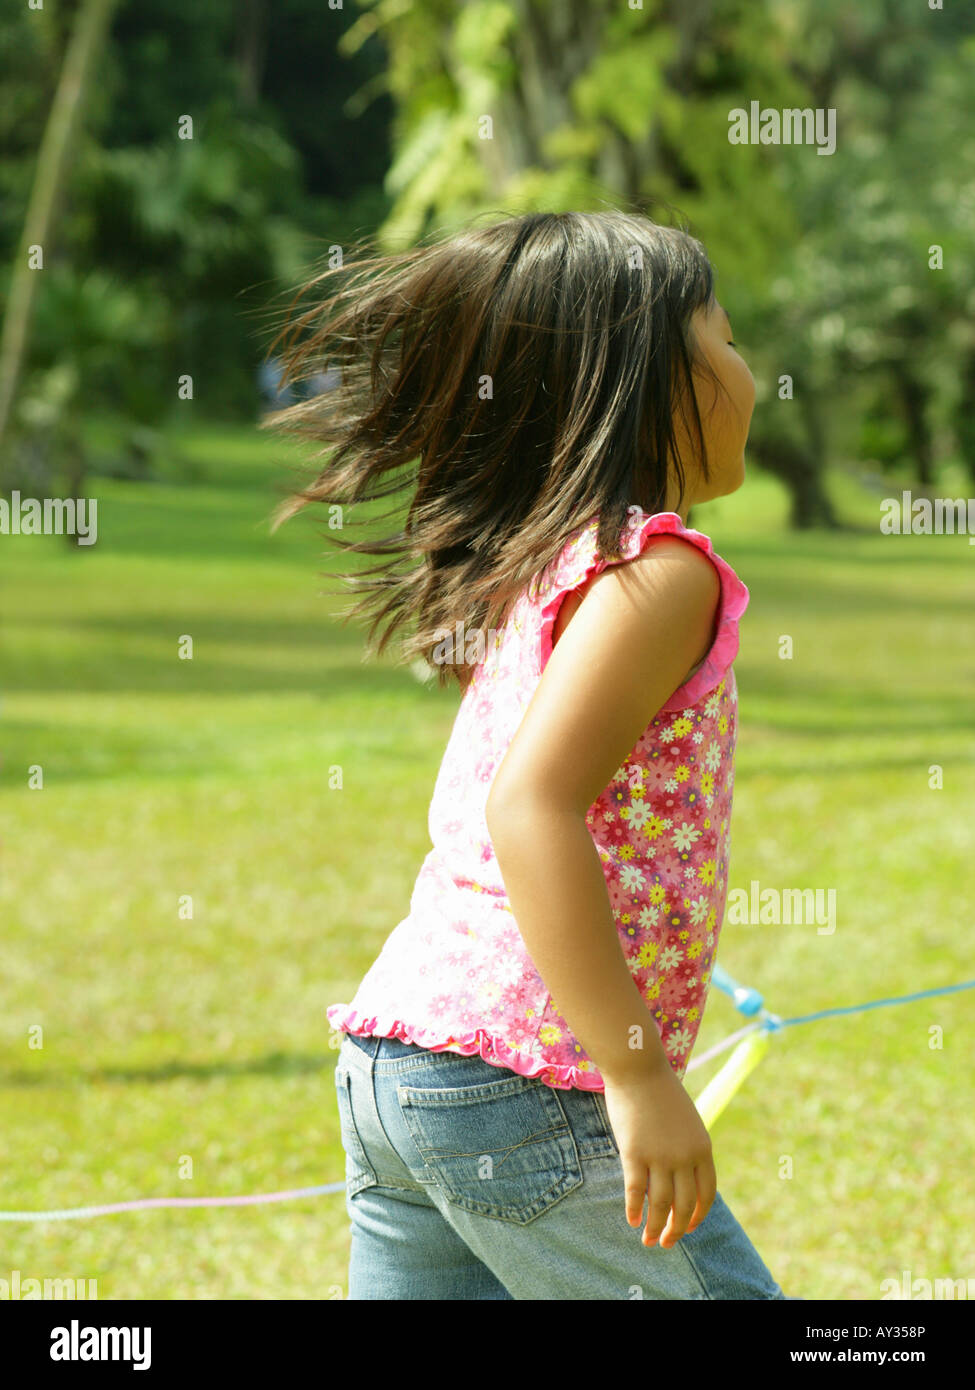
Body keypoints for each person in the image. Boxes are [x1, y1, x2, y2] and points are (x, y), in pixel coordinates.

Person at [261, 209, 795, 1300]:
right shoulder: (661, 573)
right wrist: (638, 1068)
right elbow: (530, 807)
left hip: (401, 1061)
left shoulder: (542, 559)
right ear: (657, 381)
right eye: (728, 340)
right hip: (529, 1074)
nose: (749, 372)